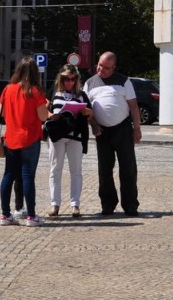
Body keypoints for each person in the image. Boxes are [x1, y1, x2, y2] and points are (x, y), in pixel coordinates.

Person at [85, 52, 142, 216]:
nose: (101, 69)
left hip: (122, 129)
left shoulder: (123, 81)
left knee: (128, 168)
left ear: (114, 68)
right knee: (104, 169)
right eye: (100, 65)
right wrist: (93, 125)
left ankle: (130, 204)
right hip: (101, 130)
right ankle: (108, 204)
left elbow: (133, 106)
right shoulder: (90, 83)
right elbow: (86, 110)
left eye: (106, 68)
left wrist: (137, 128)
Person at [0, 56, 50, 226]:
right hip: (30, 137)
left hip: (11, 137)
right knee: (28, 176)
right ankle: (31, 216)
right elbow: (43, 116)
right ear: (35, 73)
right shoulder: (36, 92)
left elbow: (2, 112)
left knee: (8, 175)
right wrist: (46, 105)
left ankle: (5, 215)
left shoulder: (8, 89)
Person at [46, 64, 93, 217]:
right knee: (55, 169)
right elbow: (44, 108)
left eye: (73, 79)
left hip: (75, 136)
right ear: (61, 78)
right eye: (66, 79)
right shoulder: (54, 91)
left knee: (76, 170)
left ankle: (75, 204)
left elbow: (91, 113)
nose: (70, 82)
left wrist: (87, 112)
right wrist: (50, 115)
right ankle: (55, 204)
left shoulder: (81, 94)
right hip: (57, 135)